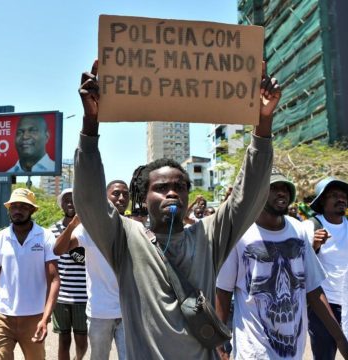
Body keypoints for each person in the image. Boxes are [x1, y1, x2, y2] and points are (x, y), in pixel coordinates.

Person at [73, 60, 280, 359]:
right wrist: (90, 123)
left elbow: (248, 197)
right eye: (161, 188)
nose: (172, 192)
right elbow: (90, 199)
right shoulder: (125, 238)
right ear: (143, 198)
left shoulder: (209, 236)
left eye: (179, 187)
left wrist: (263, 122)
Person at [216, 171, 348, 360]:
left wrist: (340, 338)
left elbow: (312, 288)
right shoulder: (239, 234)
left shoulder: (298, 230)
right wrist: (218, 343)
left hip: (294, 351)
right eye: (274, 188)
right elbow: (223, 291)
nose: (281, 193)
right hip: (253, 350)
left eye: (285, 188)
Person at [54, 180, 130, 360]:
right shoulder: (89, 228)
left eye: (125, 194)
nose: (121, 198)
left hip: (129, 311)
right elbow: (58, 250)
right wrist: (73, 224)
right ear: (105, 197)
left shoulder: (134, 226)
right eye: (116, 193)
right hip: (100, 312)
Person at [0, 188, 60, 360]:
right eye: (14, 206)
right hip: (2, 316)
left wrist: (45, 317)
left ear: (32, 210)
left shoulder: (46, 237)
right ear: (9, 209)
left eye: (23, 207)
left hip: (34, 317)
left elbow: (54, 279)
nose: (17, 211)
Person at [303, 177, 348, 360]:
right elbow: (299, 265)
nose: (341, 199)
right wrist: (313, 246)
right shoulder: (310, 227)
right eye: (334, 195)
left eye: (344, 195)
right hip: (322, 306)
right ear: (322, 200)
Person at [50, 188, 88, 360]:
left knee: (81, 341)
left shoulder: (90, 228)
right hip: (61, 295)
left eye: (74, 199)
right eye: (66, 200)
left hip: (84, 295)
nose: (70, 202)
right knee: (63, 340)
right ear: (61, 205)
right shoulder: (52, 230)